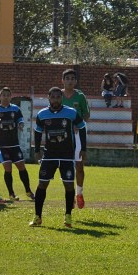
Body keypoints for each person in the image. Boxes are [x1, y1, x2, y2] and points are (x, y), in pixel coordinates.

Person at [30, 87, 82, 228]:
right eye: (53, 97)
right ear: (49, 98)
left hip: (66, 156)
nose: (55, 100)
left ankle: (68, 216)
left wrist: (83, 148)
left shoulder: (71, 112)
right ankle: (37, 216)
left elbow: (81, 126)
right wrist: (36, 150)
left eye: (58, 97)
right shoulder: (42, 114)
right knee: (42, 184)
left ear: (62, 98)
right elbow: (38, 132)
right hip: (49, 156)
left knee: (69, 185)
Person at [0, 87, 33, 200]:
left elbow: (20, 120)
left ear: (10, 96)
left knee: (21, 166)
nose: (5, 97)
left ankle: (28, 191)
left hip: (14, 144)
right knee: (8, 168)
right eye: (3, 95)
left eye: (8, 95)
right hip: (1, 145)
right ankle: (11, 194)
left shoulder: (15, 109)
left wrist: (21, 125)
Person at [61, 68, 90, 209]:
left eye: (73, 78)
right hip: (62, 137)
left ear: (76, 81)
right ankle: (69, 194)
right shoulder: (57, 95)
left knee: (79, 166)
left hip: (77, 135)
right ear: (63, 80)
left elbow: (86, 115)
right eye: (67, 78)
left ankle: (79, 193)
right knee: (65, 167)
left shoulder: (80, 96)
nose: (70, 81)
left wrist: (78, 125)